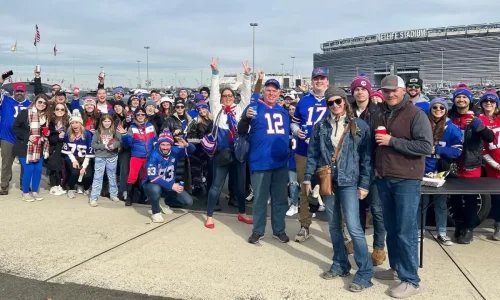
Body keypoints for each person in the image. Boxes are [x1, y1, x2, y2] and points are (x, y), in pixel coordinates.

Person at [304, 86, 374, 292]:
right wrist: (308, 178)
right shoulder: (320, 126)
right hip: (329, 181)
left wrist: (364, 184)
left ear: (345, 101)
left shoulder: (359, 126)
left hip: (350, 182)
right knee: (334, 226)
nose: (334, 105)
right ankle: (340, 263)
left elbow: (367, 159)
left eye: (338, 101)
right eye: (330, 102)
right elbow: (313, 153)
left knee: (354, 228)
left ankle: (365, 272)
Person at [372, 75, 433, 298]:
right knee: (392, 228)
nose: (390, 94)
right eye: (386, 90)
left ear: (403, 90)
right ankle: (396, 267)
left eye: (394, 90)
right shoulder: (380, 113)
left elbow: (426, 146)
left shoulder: (416, 114)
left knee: (406, 231)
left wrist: (392, 141)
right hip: (384, 177)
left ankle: (411, 279)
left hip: (406, 179)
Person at [238, 79, 290, 243]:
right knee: (260, 199)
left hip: (280, 162)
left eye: (275, 91)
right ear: (264, 92)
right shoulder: (253, 108)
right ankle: (258, 230)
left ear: (279, 94)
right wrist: (246, 119)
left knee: (280, 200)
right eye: (268, 90)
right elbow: (241, 130)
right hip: (260, 161)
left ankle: (279, 229)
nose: (271, 93)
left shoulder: (283, 112)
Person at [204, 57, 252, 228]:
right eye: (225, 96)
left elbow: (247, 96)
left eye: (230, 95)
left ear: (234, 97)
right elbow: (214, 93)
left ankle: (242, 212)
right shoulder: (216, 109)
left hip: (238, 153)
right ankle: (209, 216)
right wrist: (215, 73)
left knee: (240, 188)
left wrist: (247, 76)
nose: (227, 98)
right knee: (216, 186)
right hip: (222, 154)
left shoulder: (239, 110)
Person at [449, 84, 494, 244]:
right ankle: (459, 225)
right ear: (454, 100)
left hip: (471, 164)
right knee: (454, 200)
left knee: (470, 199)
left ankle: (468, 229)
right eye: (458, 97)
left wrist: (478, 126)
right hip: (453, 164)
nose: (461, 99)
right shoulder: (450, 117)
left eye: (464, 97)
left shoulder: (477, 117)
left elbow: (490, 137)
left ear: (469, 100)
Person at [349, 75, 386, 266]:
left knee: (377, 210)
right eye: (356, 89)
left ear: (369, 91)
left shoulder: (379, 110)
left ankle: (379, 246)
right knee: (358, 209)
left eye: (363, 89)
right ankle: (357, 241)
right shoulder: (348, 110)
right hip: (354, 167)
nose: (360, 92)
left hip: (375, 167)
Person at [291, 67, 329, 242]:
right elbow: (294, 123)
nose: (319, 81)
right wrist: (297, 131)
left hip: (327, 154)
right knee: (304, 189)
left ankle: (340, 229)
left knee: (331, 190)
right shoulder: (304, 101)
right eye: (316, 79)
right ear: (312, 81)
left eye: (322, 78)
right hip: (304, 151)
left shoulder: (334, 100)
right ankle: (304, 226)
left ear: (327, 81)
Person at [418, 98, 462, 245]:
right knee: (421, 204)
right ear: (430, 109)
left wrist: (438, 149)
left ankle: (441, 232)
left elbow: (458, 151)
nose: (438, 110)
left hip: (440, 173)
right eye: (434, 107)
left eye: (441, 108)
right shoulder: (423, 125)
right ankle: (419, 230)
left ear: (446, 110)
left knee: (440, 204)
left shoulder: (451, 128)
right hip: (422, 170)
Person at [143, 129, 195, 223]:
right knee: (155, 189)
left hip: (168, 184)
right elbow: (153, 178)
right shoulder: (153, 155)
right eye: (163, 144)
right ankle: (156, 212)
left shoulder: (175, 151)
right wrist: (172, 186)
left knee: (188, 201)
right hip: (154, 184)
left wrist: (186, 145)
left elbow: (192, 150)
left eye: (168, 144)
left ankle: (162, 201)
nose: (165, 147)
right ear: (159, 144)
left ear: (171, 144)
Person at [12, 94, 50, 201]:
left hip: (39, 146)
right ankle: (25, 193)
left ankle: (35, 191)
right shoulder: (25, 113)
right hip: (24, 146)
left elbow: (44, 131)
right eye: (40, 102)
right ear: (35, 102)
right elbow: (15, 127)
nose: (42, 104)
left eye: (44, 103)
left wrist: (46, 134)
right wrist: (28, 136)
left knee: (38, 169)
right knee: (29, 169)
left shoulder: (45, 116)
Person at [117, 107, 157, 206]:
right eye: (138, 114)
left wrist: (155, 153)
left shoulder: (151, 126)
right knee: (132, 176)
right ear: (135, 116)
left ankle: (143, 197)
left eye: (142, 114)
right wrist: (124, 135)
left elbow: (156, 140)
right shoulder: (132, 127)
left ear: (145, 115)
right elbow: (127, 144)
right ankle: (129, 197)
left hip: (149, 157)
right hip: (137, 156)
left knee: (145, 176)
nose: (140, 116)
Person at [0, 81, 32, 194]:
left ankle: (24, 184)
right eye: (17, 91)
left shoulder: (30, 104)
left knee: (25, 163)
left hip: (23, 138)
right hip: (7, 137)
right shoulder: (5, 100)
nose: (19, 93)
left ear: (25, 92)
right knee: (6, 163)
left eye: (21, 91)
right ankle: (4, 186)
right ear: (13, 92)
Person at [479, 89, 500, 241]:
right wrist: (496, 165)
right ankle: (498, 225)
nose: (488, 103)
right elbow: (482, 149)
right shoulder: (480, 121)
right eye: (486, 101)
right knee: (497, 199)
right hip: (494, 168)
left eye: (492, 101)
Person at [89, 114, 122, 207]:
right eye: (105, 121)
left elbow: (120, 142)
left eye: (108, 121)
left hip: (112, 156)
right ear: (101, 122)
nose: (107, 123)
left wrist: (114, 145)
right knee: (98, 177)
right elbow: (93, 144)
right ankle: (93, 197)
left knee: (112, 176)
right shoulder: (97, 132)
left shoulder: (115, 131)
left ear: (111, 122)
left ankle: (113, 194)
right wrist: (104, 146)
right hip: (100, 156)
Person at [62, 110, 95, 198]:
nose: (74, 125)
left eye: (76, 122)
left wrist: (84, 166)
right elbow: (67, 149)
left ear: (80, 123)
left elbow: (89, 151)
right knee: (75, 172)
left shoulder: (88, 134)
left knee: (88, 175)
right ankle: (71, 188)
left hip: (85, 158)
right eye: (72, 123)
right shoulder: (67, 134)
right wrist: (73, 160)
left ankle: (86, 187)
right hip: (72, 157)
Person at [46, 102, 70, 196]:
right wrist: (58, 136)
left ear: (65, 111)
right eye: (57, 109)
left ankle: (59, 184)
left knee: (61, 167)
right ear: (54, 111)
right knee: (53, 165)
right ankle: (53, 186)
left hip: (63, 148)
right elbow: (49, 137)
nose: (60, 111)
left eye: (62, 109)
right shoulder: (50, 122)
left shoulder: (67, 123)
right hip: (53, 147)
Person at [286, 102, 299, 216]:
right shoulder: (286, 123)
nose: (291, 111)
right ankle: (294, 204)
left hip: (302, 155)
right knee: (292, 182)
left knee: (306, 182)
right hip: (291, 156)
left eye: (294, 109)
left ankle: (310, 205)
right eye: (290, 109)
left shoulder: (303, 123)